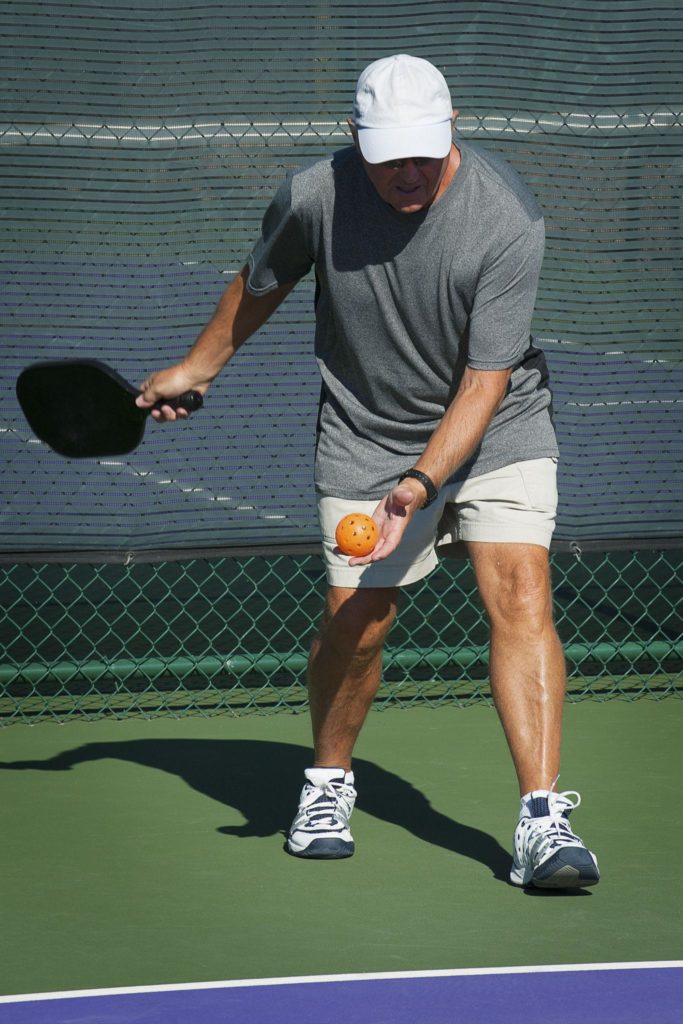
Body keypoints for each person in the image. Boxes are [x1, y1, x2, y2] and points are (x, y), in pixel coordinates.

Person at [137, 54, 599, 889]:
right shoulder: (315, 194)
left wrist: (419, 486)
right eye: (390, 157)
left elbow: (484, 381)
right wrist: (197, 368)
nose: (409, 173)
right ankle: (327, 783)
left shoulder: (506, 219)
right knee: (359, 622)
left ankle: (540, 823)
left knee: (522, 591)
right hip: (364, 430)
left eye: (424, 153)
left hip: (497, 424)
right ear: (356, 139)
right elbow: (260, 281)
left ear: (452, 131)